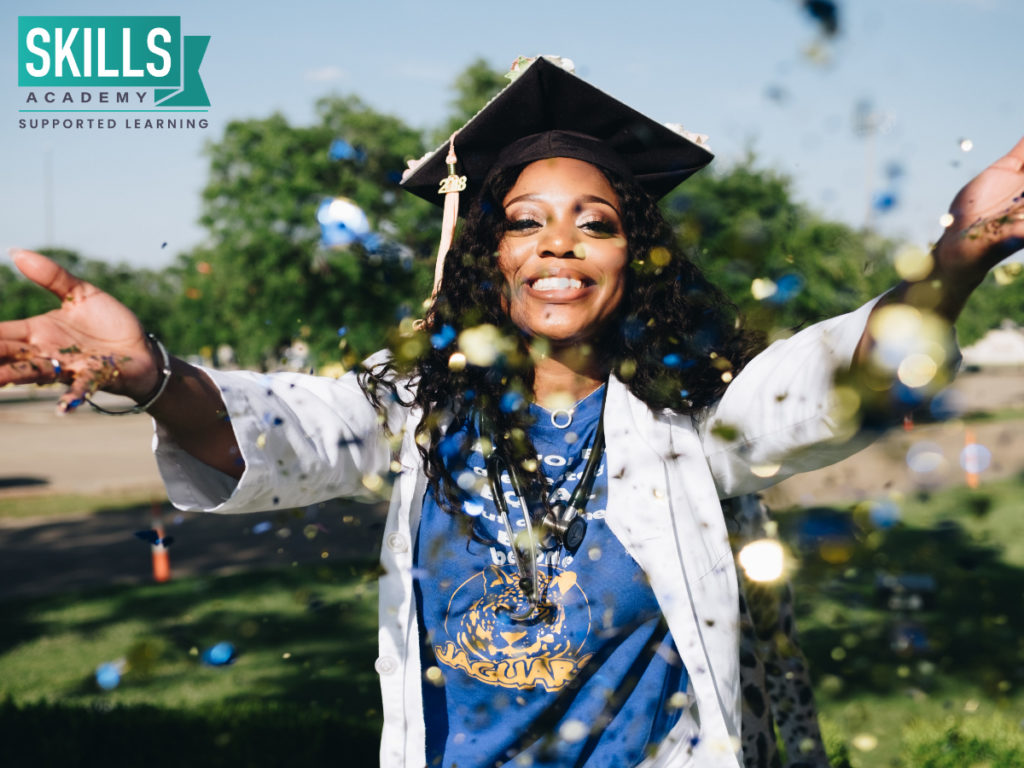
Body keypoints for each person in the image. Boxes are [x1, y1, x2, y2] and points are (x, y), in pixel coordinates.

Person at [2, 56, 1022, 768]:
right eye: (525, 221)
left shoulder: (692, 421)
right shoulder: (415, 408)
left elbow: (824, 382)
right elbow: (283, 430)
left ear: (637, 255)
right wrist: (151, 376)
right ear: (488, 254)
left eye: (597, 222)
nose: (559, 244)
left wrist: (957, 258)